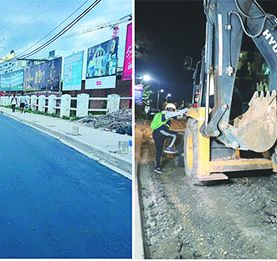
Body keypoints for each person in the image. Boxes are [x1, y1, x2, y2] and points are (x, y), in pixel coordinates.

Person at [150, 103, 188, 174]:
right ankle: (169, 148)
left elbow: (178, 116)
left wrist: (185, 115)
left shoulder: (162, 114)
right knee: (174, 135)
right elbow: (179, 113)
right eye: (173, 110)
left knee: (159, 151)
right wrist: (188, 108)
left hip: (156, 133)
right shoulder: (168, 114)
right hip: (161, 132)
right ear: (171, 109)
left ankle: (157, 167)